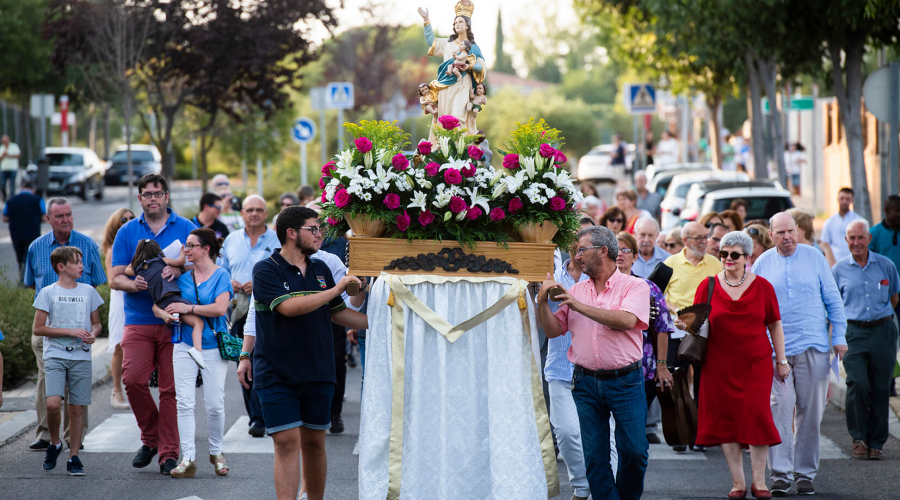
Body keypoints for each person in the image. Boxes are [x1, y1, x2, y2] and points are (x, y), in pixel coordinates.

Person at [252, 206, 368, 500]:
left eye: (320, 228)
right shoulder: (266, 269)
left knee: (315, 444)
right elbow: (288, 308)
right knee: (287, 443)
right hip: (276, 372)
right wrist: (337, 289)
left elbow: (339, 314)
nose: (320, 234)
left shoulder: (321, 269)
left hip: (318, 369)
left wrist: (386, 322)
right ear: (291, 233)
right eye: (313, 229)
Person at [537, 225, 651, 500]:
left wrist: (578, 306)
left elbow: (627, 320)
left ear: (603, 251)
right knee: (595, 456)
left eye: (581, 250)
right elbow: (553, 331)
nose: (576, 257)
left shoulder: (634, 285)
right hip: (585, 381)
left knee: (634, 451)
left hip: (626, 381)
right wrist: (542, 302)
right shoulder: (577, 289)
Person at [678, 231, 788, 499]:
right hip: (718, 364)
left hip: (755, 364)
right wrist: (682, 321)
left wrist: (781, 360)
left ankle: (760, 482)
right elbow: (695, 320)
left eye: (734, 254)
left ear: (747, 257)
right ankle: (738, 482)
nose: (728, 258)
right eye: (724, 253)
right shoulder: (709, 285)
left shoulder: (763, 287)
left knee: (757, 417)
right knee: (726, 420)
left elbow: (774, 323)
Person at [752, 212, 848, 496]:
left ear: (798, 230)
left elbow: (833, 299)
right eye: (780, 232)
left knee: (810, 411)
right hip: (774, 350)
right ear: (771, 235)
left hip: (814, 345)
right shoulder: (762, 263)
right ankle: (780, 474)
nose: (787, 237)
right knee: (779, 408)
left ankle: (805, 474)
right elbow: (754, 308)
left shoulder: (814, 257)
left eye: (791, 231)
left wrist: (839, 337)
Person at [109, 174, 198, 475]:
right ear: (140, 199)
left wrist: (179, 268)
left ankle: (168, 454)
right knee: (132, 380)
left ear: (167, 196)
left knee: (170, 390)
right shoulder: (127, 231)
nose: (153, 199)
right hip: (138, 320)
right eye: (147, 194)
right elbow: (115, 277)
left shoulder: (186, 227)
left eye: (158, 193)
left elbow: (201, 264)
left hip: (176, 319)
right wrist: (134, 284)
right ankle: (151, 438)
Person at [24, 198, 106, 452]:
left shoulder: (87, 244)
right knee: (47, 379)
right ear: (48, 219)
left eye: (69, 214)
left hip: (80, 329)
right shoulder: (36, 247)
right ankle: (47, 435)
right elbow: (30, 284)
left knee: (77, 381)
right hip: (46, 328)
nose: (66, 219)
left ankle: (74, 437)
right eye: (59, 216)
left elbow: (97, 282)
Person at [150, 228, 233, 478]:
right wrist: (163, 313)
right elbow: (159, 302)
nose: (186, 249)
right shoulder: (182, 276)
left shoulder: (221, 275)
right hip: (184, 345)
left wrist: (189, 307)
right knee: (184, 403)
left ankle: (217, 452)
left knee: (215, 405)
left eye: (191, 245)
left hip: (213, 346)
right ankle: (188, 458)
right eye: (186, 245)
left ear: (206, 248)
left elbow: (220, 309)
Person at [32, 246, 104, 476]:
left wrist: (94, 333)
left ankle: (74, 457)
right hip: (55, 354)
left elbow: (96, 323)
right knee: (53, 404)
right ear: (61, 267)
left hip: (81, 355)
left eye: (81, 261)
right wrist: (70, 332)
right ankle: (54, 443)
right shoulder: (47, 292)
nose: (81, 265)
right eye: (76, 262)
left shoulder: (88, 291)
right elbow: (38, 328)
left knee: (76, 408)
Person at [832, 219, 900, 461]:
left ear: (869, 239)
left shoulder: (886, 265)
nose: (856, 242)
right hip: (853, 333)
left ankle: (876, 442)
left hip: (883, 331)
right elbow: (833, 305)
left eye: (861, 237)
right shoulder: (838, 270)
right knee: (858, 383)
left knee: (881, 387)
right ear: (846, 240)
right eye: (852, 238)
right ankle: (859, 438)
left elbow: (894, 298)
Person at [543, 219, 598, 500]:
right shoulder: (550, 273)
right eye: (575, 239)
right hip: (561, 366)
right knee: (565, 433)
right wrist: (538, 291)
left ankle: (600, 487)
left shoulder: (602, 279)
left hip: (595, 368)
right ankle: (581, 485)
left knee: (602, 437)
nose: (579, 245)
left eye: (585, 241)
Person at [661, 221, 722, 452]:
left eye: (706, 237)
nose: (705, 242)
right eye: (699, 238)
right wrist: (672, 308)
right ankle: (680, 432)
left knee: (704, 385)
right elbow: (656, 295)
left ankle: (699, 435)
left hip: (706, 333)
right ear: (685, 241)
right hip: (677, 332)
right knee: (677, 383)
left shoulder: (714, 263)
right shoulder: (671, 263)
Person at [223, 195, 279, 438]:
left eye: (259, 210)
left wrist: (261, 285)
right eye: (249, 210)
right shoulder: (231, 240)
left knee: (268, 363)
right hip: (239, 311)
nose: (254, 214)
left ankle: (270, 414)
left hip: (272, 311)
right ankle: (256, 417)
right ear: (242, 214)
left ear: (266, 213)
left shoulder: (278, 240)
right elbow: (219, 270)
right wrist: (231, 282)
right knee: (244, 361)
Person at [615, 232, 674, 447]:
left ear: (635, 256)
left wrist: (662, 366)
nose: (620, 254)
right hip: (607, 367)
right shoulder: (598, 286)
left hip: (642, 369)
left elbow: (663, 327)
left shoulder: (648, 288)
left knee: (633, 427)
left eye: (625, 250)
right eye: (616, 249)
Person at [101, 208, 136, 409]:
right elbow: (112, 281)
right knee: (119, 345)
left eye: (132, 218)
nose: (128, 221)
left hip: (140, 297)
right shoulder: (114, 249)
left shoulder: (140, 244)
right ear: (116, 225)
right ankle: (116, 391)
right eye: (124, 220)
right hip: (121, 299)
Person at [3, 179, 46, 280]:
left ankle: (23, 279)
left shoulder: (11, 200)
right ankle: (25, 282)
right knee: (28, 258)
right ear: (33, 189)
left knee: (20, 258)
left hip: (16, 234)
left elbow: (5, 218)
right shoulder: (38, 199)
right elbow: (44, 218)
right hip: (33, 234)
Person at [820, 187, 860, 264]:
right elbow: (824, 244)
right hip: (834, 262)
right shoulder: (829, 222)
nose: (844, 201)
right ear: (837, 199)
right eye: (842, 198)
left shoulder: (858, 221)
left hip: (854, 262)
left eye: (847, 199)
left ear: (852, 200)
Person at [0, 135, 21, 202]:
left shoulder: (14, 146)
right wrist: (3, 155)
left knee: (12, 185)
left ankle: (12, 199)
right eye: (4, 141)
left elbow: (18, 155)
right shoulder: (1, 148)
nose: (5, 142)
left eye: (6, 141)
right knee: (2, 184)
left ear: (9, 140)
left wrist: (8, 155)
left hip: (13, 168)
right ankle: (4, 196)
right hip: (3, 169)